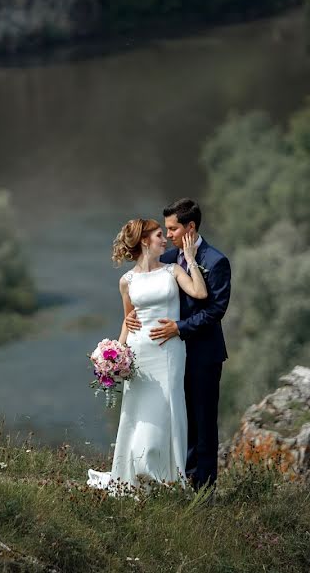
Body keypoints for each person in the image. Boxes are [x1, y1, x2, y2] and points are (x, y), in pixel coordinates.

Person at [87, 217, 207, 493]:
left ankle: (167, 479)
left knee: (168, 414)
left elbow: (200, 293)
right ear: (144, 241)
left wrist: (190, 257)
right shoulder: (126, 281)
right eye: (158, 236)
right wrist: (113, 356)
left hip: (169, 354)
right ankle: (136, 476)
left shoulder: (173, 270)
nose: (164, 239)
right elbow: (128, 319)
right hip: (139, 356)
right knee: (137, 416)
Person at [125, 198, 231, 491]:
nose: (168, 235)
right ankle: (179, 482)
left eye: (172, 229)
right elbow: (149, 289)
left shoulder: (216, 261)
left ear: (190, 227)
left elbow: (215, 310)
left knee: (203, 424)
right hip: (168, 355)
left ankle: (203, 491)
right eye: (167, 230)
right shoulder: (169, 259)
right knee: (177, 419)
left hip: (202, 354)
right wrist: (135, 316)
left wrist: (179, 328)